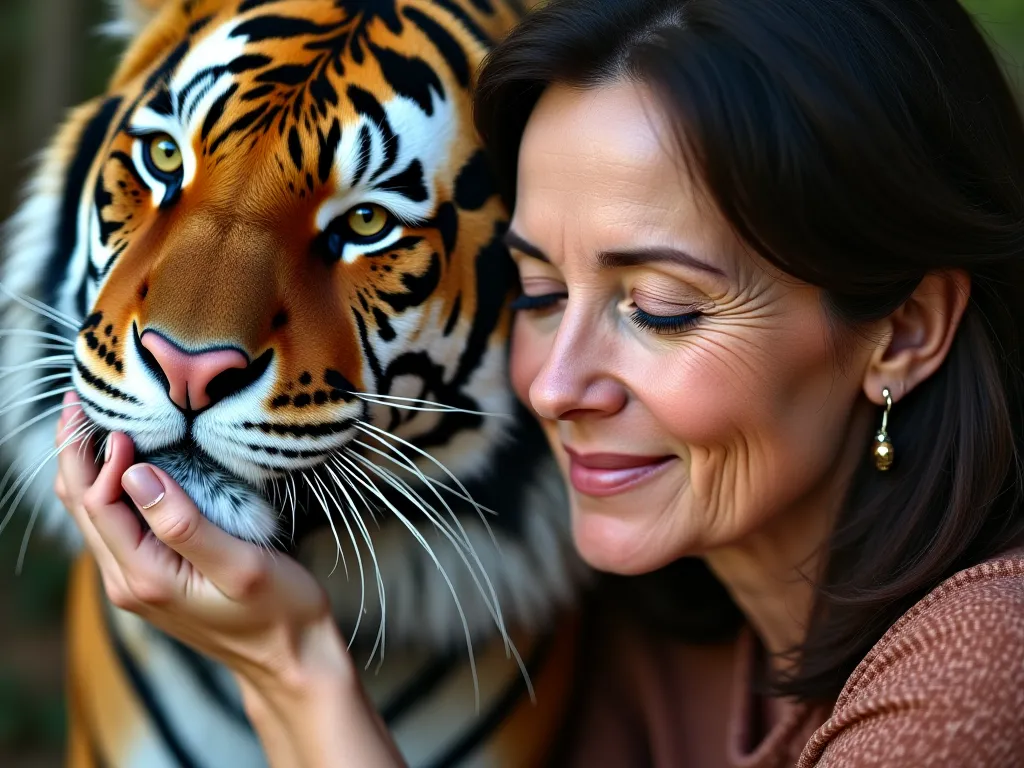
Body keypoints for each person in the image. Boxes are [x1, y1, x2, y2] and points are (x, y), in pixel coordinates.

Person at [55, 0, 1024, 764]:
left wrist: (288, 662)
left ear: (901, 331)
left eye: (659, 307)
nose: (554, 386)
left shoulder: (984, 665)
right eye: (537, 292)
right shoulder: (644, 625)